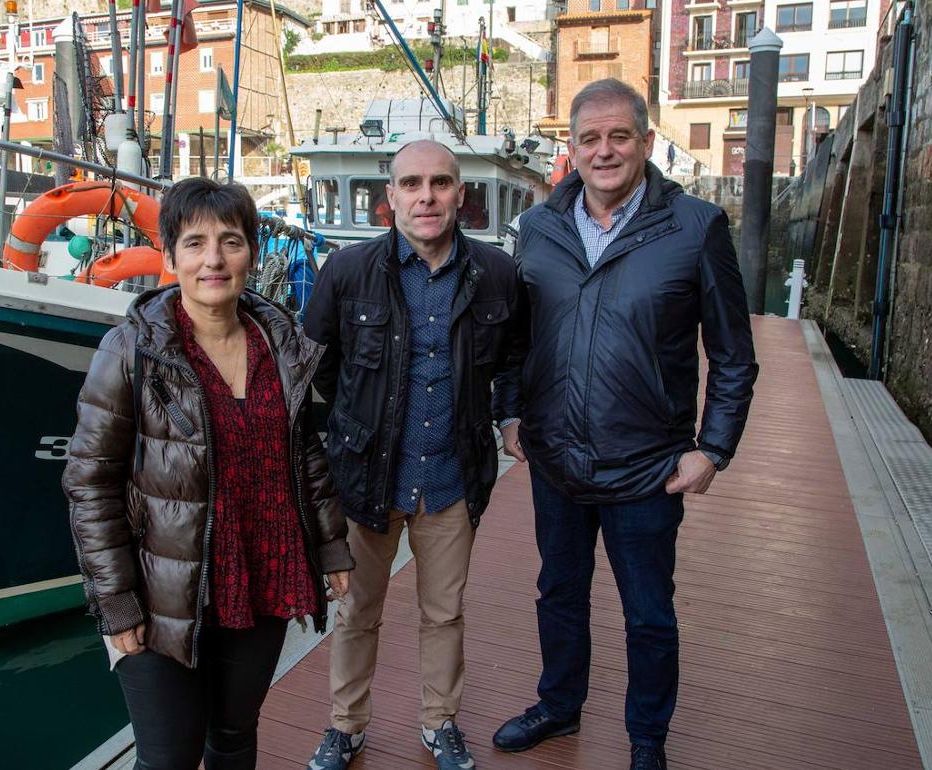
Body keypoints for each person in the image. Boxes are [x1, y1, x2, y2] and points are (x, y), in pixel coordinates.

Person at [491, 78, 758, 770]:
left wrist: (714, 449)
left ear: (644, 141)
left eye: (618, 136)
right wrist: (511, 413)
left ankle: (648, 738)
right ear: (571, 149)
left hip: (648, 465)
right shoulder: (539, 227)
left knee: (648, 611)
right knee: (559, 591)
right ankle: (558, 704)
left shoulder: (696, 227)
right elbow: (515, 338)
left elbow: (733, 354)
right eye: (589, 139)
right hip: (555, 458)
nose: (604, 151)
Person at [64, 178, 355, 770]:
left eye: (231, 241)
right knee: (167, 758)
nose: (214, 260)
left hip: (262, 574)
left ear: (252, 251)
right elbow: (89, 480)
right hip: (163, 589)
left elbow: (303, 455)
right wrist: (115, 601)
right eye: (194, 243)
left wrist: (331, 548)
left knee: (233, 737)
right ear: (169, 258)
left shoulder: (280, 344)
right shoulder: (133, 349)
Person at [302, 139, 521, 770]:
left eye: (441, 183)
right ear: (390, 196)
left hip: (452, 475)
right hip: (366, 477)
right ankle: (346, 727)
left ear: (460, 193)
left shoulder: (497, 275)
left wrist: (510, 414)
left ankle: (439, 722)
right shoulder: (346, 273)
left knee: (444, 612)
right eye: (412, 184)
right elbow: (320, 368)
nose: (427, 196)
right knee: (355, 611)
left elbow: (513, 358)